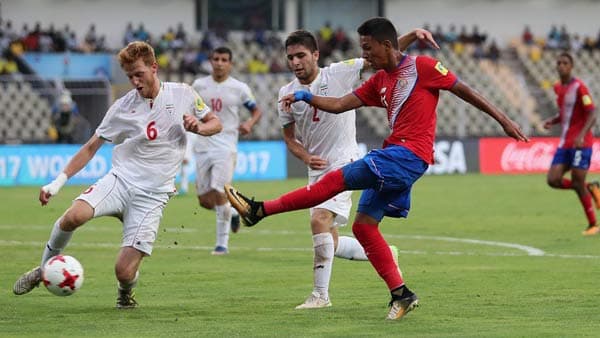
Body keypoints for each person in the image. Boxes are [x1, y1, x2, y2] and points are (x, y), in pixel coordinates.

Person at [225, 17, 528, 320]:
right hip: (394, 154)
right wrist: (308, 96)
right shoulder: (378, 81)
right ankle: (402, 294)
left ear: (386, 45)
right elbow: (341, 104)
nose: (365, 55)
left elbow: (464, 90)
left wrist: (504, 120)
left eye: (368, 49)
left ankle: (260, 210)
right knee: (364, 226)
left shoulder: (423, 67)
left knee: (336, 181)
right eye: (362, 49)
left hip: (407, 155)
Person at [12, 41, 222, 308]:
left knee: (123, 271)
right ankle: (43, 270)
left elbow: (215, 123)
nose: (135, 81)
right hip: (121, 181)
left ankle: (125, 292)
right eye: (129, 76)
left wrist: (200, 128)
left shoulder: (184, 94)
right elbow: (90, 148)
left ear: (154, 68)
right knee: (73, 216)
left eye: (139, 74)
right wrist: (58, 182)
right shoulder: (123, 107)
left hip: (153, 196)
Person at [278, 28, 438, 310]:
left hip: (344, 160)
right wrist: (305, 156)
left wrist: (413, 35)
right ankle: (386, 253)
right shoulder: (286, 93)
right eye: (290, 57)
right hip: (317, 168)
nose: (295, 62)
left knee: (319, 221)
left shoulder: (341, 71)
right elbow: (290, 139)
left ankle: (320, 296)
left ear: (315, 55)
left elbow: (383, 55)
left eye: (301, 55)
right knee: (331, 239)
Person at [191, 46, 262, 255]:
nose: (220, 63)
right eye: (216, 59)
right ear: (210, 61)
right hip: (203, 145)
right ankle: (232, 212)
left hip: (226, 146)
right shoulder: (199, 85)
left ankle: (222, 245)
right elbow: (188, 107)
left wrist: (249, 123)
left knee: (220, 191)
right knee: (204, 200)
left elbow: (256, 110)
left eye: (224, 60)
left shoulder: (239, 88)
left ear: (230, 63)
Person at [543, 52, 599, 235]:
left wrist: (582, 135)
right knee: (553, 180)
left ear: (571, 66)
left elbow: (592, 112)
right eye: (558, 63)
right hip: (565, 143)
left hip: (581, 143)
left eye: (565, 63)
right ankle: (590, 188)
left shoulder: (579, 87)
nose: (561, 66)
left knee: (577, 179)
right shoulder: (558, 88)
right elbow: (566, 113)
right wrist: (554, 120)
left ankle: (593, 224)